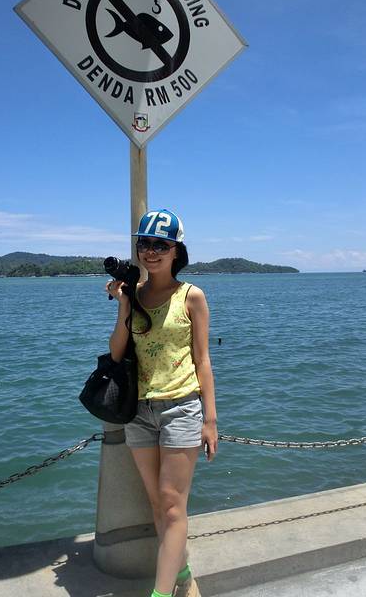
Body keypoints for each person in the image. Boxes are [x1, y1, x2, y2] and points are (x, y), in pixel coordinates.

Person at [106, 209, 218, 597]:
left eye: (160, 245)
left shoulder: (192, 296)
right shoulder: (133, 294)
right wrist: (124, 306)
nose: (151, 251)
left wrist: (210, 420)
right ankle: (181, 571)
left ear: (176, 251)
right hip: (139, 411)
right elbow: (116, 353)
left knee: (172, 506)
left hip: (181, 407)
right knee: (158, 505)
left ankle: (160, 593)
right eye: (145, 244)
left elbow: (202, 359)